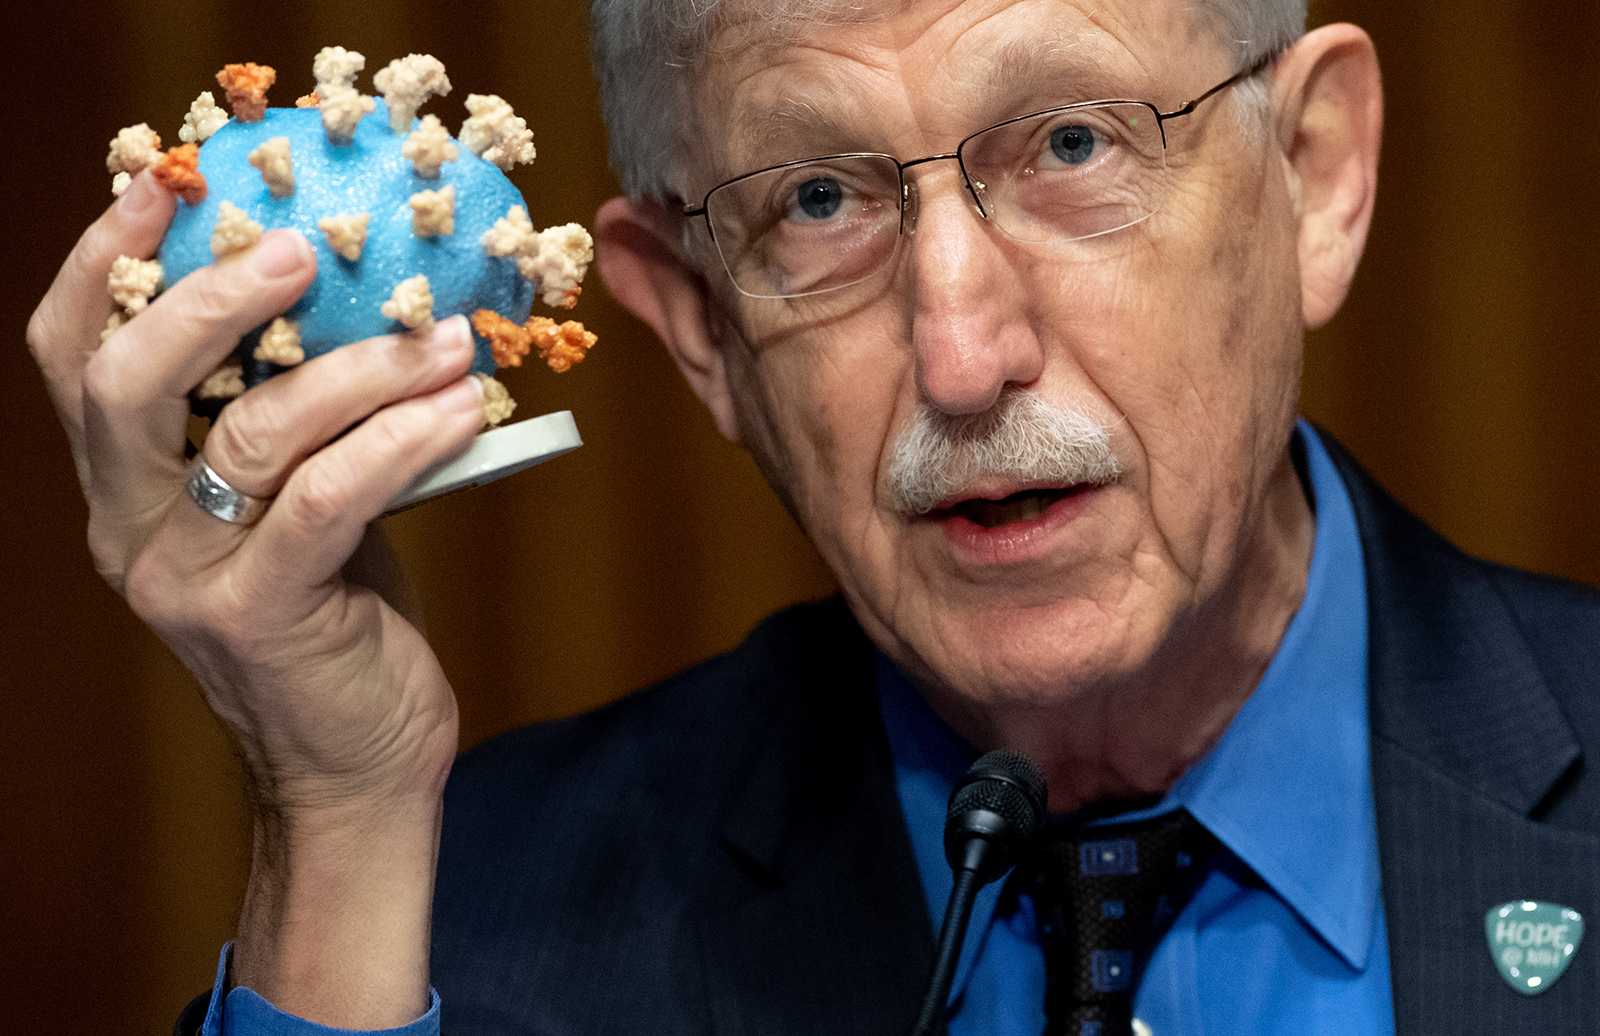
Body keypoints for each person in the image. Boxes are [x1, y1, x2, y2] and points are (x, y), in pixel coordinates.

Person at [25, 0, 1600, 1032]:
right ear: (700, 328)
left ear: (1316, 177)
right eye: (820, 203)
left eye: (1070, 145)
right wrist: (343, 809)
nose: (965, 356)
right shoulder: (460, 933)